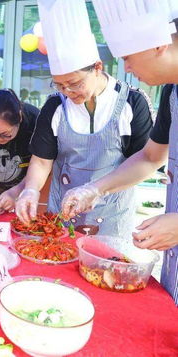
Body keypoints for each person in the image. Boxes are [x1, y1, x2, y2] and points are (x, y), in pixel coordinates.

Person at [61, 0, 178, 304]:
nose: (126, 68)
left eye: (127, 57)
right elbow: (151, 157)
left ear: (159, 45)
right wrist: (94, 189)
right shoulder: (171, 91)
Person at [15, 0, 154, 239]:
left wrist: (94, 190)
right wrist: (30, 189)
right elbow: (41, 161)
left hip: (112, 216)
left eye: (75, 83)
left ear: (97, 67)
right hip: (61, 215)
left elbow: (144, 163)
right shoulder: (54, 105)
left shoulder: (132, 103)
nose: (68, 92)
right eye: (59, 85)